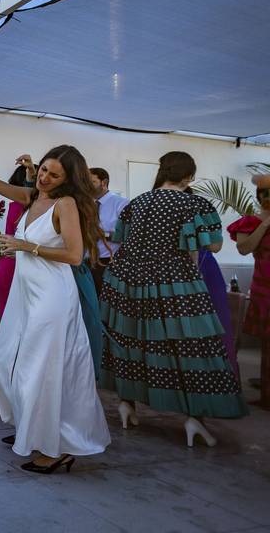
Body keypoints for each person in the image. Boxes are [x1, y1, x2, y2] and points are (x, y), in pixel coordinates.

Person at [0, 122, 110, 474]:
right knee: (3, 361)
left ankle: (56, 449)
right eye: (43, 169)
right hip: (26, 295)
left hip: (53, 298)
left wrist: (26, 246)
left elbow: (74, 255)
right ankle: (31, 428)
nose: (44, 178)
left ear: (67, 180)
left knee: (40, 372)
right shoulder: (32, 197)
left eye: (53, 176)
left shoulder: (66, 204)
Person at [101, 151, 247, 446]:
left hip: (128, 282)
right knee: (190, 347)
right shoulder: (194, 204)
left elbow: (119, 241)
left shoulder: (137, 203)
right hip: (175, 282)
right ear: (189, 177)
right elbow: (214, 245)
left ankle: (127, 403)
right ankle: (195, 418)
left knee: (132, 340)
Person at [0, 156, 36, 351]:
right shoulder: (23, 205)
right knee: (16, 318)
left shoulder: (15, 205)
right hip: (17, 262)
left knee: (10, 316)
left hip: (10, 263)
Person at [227, 176, 270, 408]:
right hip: (265, 288)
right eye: (265, 194)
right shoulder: (250, 222)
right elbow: (244, 248)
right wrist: (264, 224)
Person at [89, 167, 129, 296]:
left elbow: (128, 235)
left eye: (92, 182)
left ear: (104, 182)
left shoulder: (122, 204)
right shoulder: (84, 204)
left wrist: (102, 235)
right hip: (85, 261)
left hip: (108, 262)